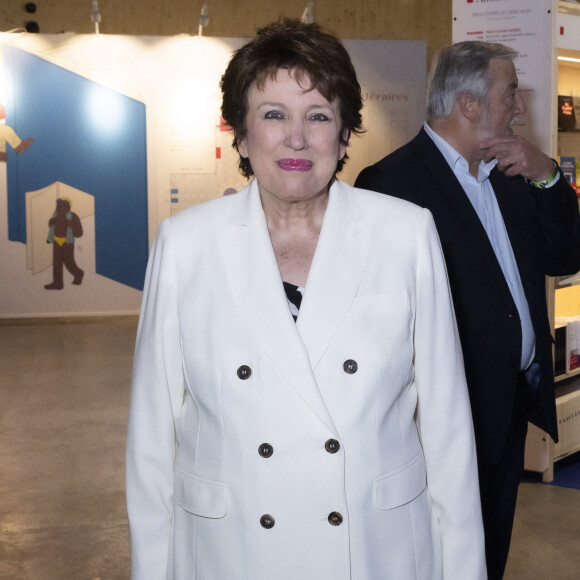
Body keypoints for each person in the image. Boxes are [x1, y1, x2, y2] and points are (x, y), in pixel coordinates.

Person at [126, 20, 486, 580]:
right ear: (242, 134)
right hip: (232, 552)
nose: (297, 138)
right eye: (273, 115)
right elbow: (151, 444)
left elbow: (448, 431)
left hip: (374, 551)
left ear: (344, 134)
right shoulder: (186, 244)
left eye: (318, 115)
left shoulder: (405, 234)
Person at [355, 40, 580, 579]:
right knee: (442, 553)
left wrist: (549, 175)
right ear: (470, 105)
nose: (520, 108)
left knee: (490, 547)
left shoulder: (512, 173)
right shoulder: (390, 186)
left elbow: (565, 254)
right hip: (442, 422)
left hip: (509, 409)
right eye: (510, 95)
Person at [44, 197, 84, 290]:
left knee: (69, 262)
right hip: (57, 241)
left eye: (62, 206)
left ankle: (78, 273)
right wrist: (51, 223)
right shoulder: (55, 216)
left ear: (68, 207)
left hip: (67, 242)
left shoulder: (73, 216)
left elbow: (80, 233)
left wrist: (70, 228)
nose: (59, 208)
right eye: (58, 206)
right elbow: (52, 226)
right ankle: (58, 283)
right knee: (57, 264)